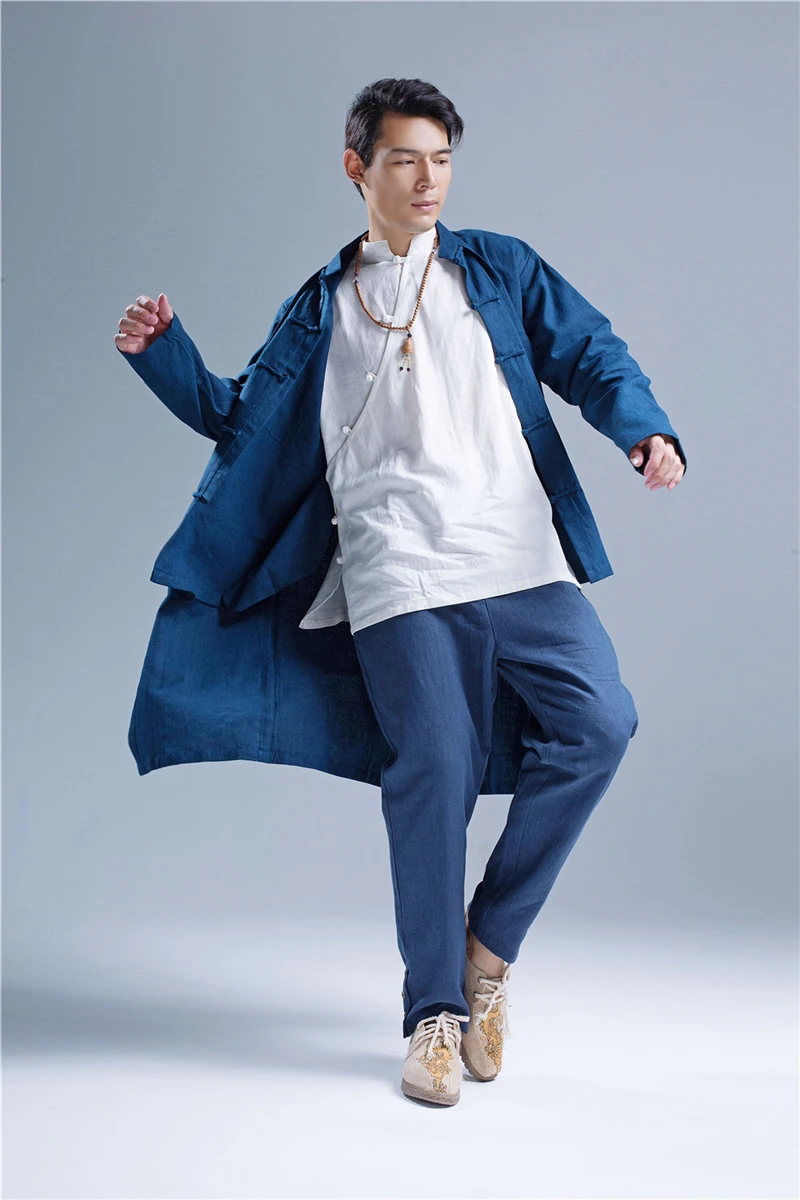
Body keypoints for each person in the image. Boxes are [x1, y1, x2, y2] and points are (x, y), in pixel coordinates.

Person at [115, 77, 686, 1108]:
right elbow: (243, 420)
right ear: (357, 167)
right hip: (396, 567)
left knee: (600, 723)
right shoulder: (319, 309)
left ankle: (485, 953)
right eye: (404, 159)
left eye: (442, 160)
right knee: (434, 764)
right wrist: (166, 359)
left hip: (518, 557)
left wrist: (642, 428)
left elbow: (588, 351)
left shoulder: (497, 269)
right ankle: (433, 1013)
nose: (428, 180)